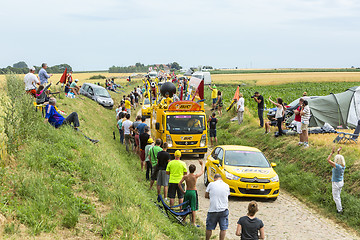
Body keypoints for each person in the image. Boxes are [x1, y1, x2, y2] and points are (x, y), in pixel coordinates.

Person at [178, 160, 204, 226]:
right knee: (193, 208)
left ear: (189, 169)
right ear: (194, 170)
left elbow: (179, 184)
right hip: (193, 192)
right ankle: (193, 222)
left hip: (187, 192)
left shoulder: (186, 176)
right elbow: (202, 172)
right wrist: (202, 165)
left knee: (185, 206)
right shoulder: (195, 176)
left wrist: (183, 191)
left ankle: (183, 220)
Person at [205, 174, 230, 240]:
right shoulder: (226, 185)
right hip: (224, 209)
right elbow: (227, 195)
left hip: (213, 209)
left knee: (209, 227)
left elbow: (206, 195)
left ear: (214, 179)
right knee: (223, 228)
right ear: (221, 179)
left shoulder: (211, 184)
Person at [327, 147, 346, 213]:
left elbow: (328, 160)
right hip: (341, 182)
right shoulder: (343, 165)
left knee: (336, 197)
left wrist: (332, 153)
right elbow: (339, 159)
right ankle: (339, 206)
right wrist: (338, 152)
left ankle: (339, 210)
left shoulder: (336, 166)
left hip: (336, 183)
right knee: (338, 196)